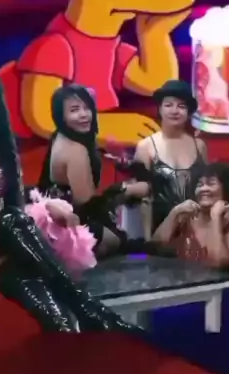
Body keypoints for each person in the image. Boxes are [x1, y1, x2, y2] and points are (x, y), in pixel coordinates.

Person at [0, 66, 140, 335]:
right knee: (12, 220)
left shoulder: (2, 149)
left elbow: (16, 200)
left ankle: (75, 334)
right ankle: (89, 307)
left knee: (50, 308)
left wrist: (48, 206)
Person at [38, 83, 152, 256]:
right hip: (69, 227)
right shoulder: (76, 151)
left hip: (59, 221)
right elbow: (87, 206)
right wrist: (123, 191)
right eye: (74, 110)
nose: (83, 114)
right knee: (118, 242)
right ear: (61, 116)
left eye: (87, 108)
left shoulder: (61, 136)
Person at [129, 80, 208, 235]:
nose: (175, 111)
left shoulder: (199, 146)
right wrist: (148, 241)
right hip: (160, 230)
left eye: (181, 106)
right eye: (168, 105)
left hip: (196, 229)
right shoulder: (146, 146)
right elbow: (143, 200)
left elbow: (207, 190)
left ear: (189, 112)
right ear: (159, 109)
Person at [153, 161, 229, 267]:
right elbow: (154, 248)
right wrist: (174, 213)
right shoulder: (186, 216)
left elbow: (218, 263)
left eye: (211, 184)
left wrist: (215, 218)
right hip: (178, 276)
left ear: (227, 188)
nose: (204, 189)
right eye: (200, 185)